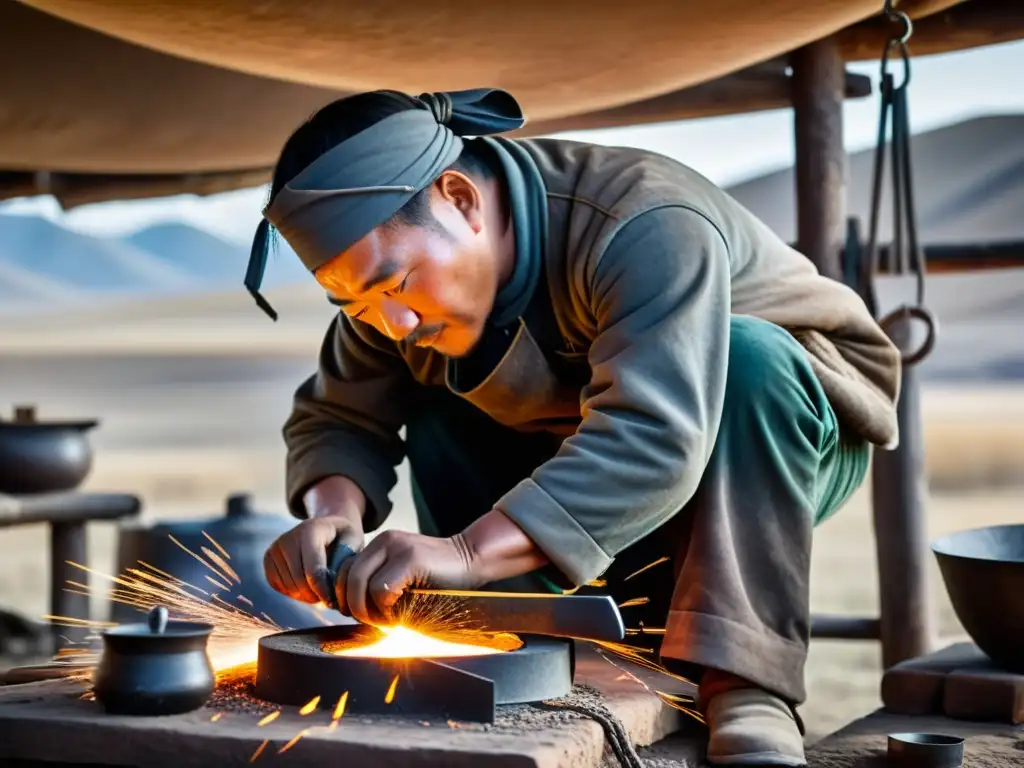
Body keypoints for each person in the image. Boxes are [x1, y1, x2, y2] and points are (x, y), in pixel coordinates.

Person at [256, 88, 901, 766]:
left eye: (395, 284)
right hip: (582, 446)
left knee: (748, 359)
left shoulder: (642, 219)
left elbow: (657, 437)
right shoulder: (390, 304)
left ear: (461, 199)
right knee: (438, 388)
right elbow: (338, 414)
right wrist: (333, 512)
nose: (395, 322)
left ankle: (744, 680)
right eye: (357, 304)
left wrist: (470, 553)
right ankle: (510, 630)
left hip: (776, 429)